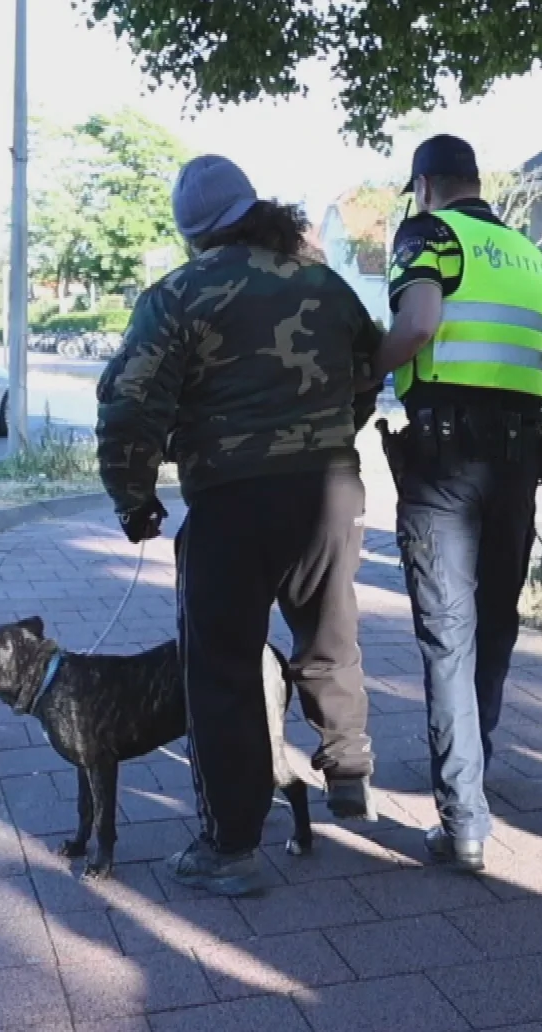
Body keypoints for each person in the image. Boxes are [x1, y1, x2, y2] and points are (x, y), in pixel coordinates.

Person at [96, 155, 380, 896]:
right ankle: (348, 769)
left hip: (232, 501)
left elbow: (129, 402)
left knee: (221, 671)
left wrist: (133, 497)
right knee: (330, 629)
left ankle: (232, 848)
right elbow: (369, 366)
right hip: (329, 491)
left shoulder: (180, 294)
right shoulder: (322, 281)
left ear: (192, 234)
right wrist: (334, 438)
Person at [371, 134, 542, 872]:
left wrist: (357, 377)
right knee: (495, 624)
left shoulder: (429, 234)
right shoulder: (529, 255)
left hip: (444, 461)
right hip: (517, 462)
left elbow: (417, 328)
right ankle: (474, 764)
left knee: (447, 634)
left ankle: (463, 820)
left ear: (424, 185)